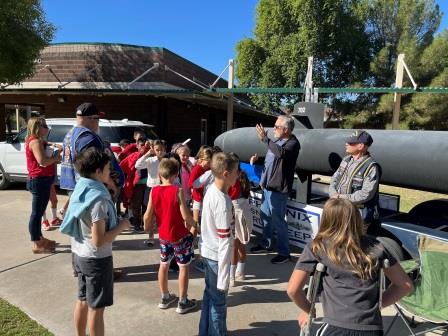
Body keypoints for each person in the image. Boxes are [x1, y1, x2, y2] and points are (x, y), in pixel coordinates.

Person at [287, 198, 413, 335]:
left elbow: (293, 290)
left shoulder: (317, 247)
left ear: (326, 219)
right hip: (371, 329)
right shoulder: (377, 247)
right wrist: (377, 305)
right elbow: (405, 285)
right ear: (357, 219)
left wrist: (308, 309)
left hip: (335, 327)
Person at [60, 147, 131, 336]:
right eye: (108, 168)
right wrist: (122, 226)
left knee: (82, 300)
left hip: (79, 254)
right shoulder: (99, 200)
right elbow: (99, 240)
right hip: (96, 259)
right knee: (96, 308)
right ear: (98, 171)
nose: (110, 172)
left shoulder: (81, 188)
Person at [143, 157, 198, 314]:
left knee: (164, 265)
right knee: (183, 267)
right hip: (179, 236)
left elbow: (147, 215)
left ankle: (165, 297)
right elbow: (186, 217)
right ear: (175, 175)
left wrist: (147, 228)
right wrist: (196, 225)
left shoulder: (154, 191)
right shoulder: (178, 191)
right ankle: (183, 301)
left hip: (164, 237)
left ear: (160, 175)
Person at [198, 152, 240, 336]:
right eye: (236, 171)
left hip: (208, 253)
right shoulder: (223, 202)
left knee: (209, 297)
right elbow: (224, 242)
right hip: (217, 258)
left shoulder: (211, 190)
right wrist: (224, 276)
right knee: (219, 303)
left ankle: (204, 332)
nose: (238, 175)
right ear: (225, 173)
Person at [250, 115, 300, 264]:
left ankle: (284, 253)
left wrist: (266, 140)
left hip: (278, 189)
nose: (274, 129)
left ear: (286, 130)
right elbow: (272, 156)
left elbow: (281, 154)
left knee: (278, 221)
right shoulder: (279, 141)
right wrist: (258, 159)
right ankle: (266, 243)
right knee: (265, 216)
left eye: (277, 127)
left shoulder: (293, 143)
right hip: (267, 186)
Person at [328, 130, 380, 232]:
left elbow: (366, 194)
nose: (346, 144)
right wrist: (333, 194)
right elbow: (335, 179)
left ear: (360, 146)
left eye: (351, 142)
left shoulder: (371, 167)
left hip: (357, 214)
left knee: (353, 244)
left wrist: (340, 197)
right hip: (340, 210)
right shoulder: (346, 160)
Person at [25, 117, 61, 253]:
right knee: (36, 213)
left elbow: (47, 145)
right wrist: (56, 158)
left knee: (39, 212)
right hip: (39, 180)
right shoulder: (35, 141)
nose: (47, 128)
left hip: (42, 180)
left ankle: (39, 238)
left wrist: (55, 147)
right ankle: (36, 242)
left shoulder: (38, 140)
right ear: (37, 127)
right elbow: (42, 161)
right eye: (44, 125)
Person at [135, 139, 166, 245]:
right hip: (152, 188)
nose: (160, 152)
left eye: (162, 149)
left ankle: (163, 236)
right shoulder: (150, 160)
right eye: (157, 150)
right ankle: (151, 237)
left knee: (163, 214)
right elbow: (137, 165)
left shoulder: (167, 161)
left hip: (164, 189)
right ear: (154, 150)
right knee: (151, 214)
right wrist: (148, 153)